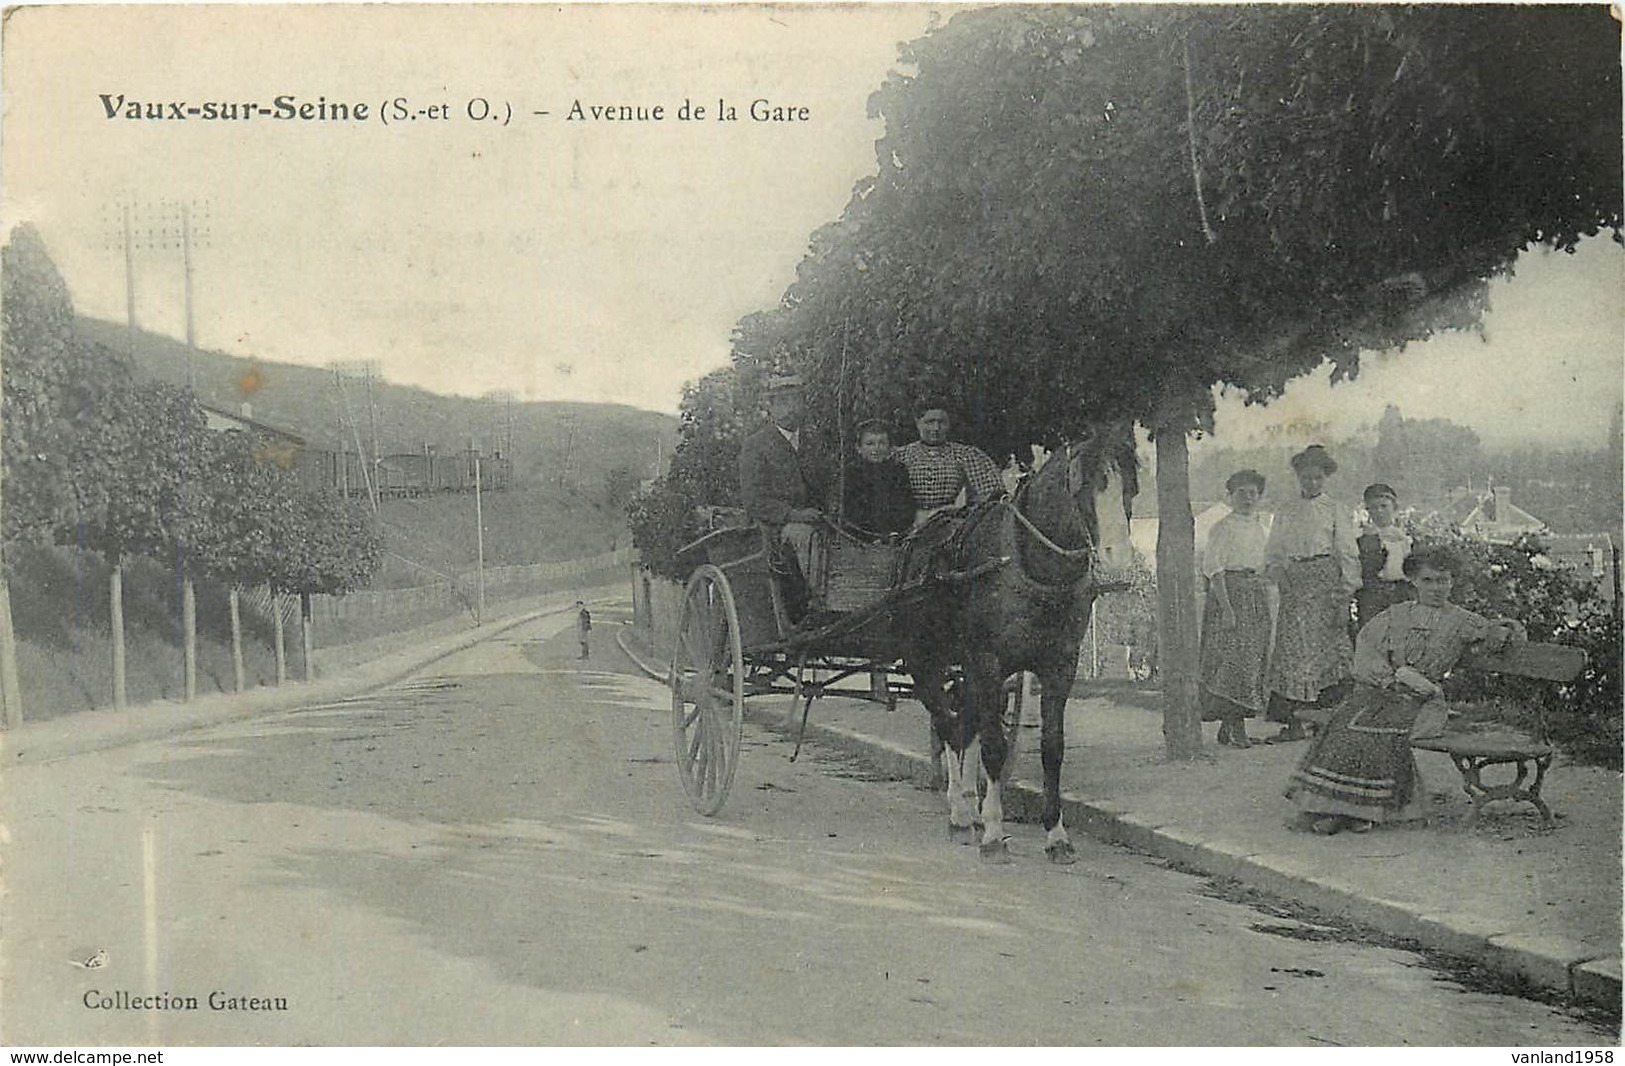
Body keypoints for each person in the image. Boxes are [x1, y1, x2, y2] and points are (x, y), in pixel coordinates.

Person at [1284, 546, 1525, 834]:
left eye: (1444, 580)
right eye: (1428, 580)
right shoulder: (1396, 615)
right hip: (1386, 689)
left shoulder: (1462, 620)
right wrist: (1388, 678)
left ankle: (1351, 811)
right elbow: (1367, 648)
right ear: (1412, 580)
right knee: (1344, 722)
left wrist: (1504, 631)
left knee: (1377, 729)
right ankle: (1339, 809)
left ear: (1452, 581)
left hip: (1424, 700)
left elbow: (1501, 635)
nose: (1437, 588)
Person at [1262, 444, 1359, 742]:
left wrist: (1346, 594)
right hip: (1295, 582)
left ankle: (1327, 722)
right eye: (1306, 477)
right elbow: (1275, 550)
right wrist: (1281, 576)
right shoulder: (1286, 510)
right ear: (1298, 477)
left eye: (1317, 477)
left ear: (1325, 477)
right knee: (1293, 650)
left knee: (1328, 648)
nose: (1312, 483)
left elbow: (1347, 553)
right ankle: (1293, 723)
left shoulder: (1336, 509)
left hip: (1326, 581)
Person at [737, 373, 826, 612]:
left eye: (796, 401)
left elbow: (829, 483)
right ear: (771, 407)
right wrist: (792, 515)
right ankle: (817, 602)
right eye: (783, 402)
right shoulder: (756, 445)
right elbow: (753, 500)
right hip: (774, 527)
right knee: (804, 535)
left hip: (817, 519)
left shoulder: (814, 442)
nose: (790, 408)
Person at [1199, 469, 1271, 749]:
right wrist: (1227, 609)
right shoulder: (1222, 527)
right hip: (1229, 595)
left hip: (1255, 596)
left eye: (1253, 493)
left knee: (1251, 663)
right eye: (1241, 493)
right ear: (1231, 496)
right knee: (1232, 663)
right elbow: (1213, 569)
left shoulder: (1262, 527)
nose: (1248, 498)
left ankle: (1230, 725)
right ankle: (1235, 725)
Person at [892, 401, 1007, 527]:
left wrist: (965, 509)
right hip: (907, 524)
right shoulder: (901, 455)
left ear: (949, 424)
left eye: (942, 422)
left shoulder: (964, 454)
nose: (936, 428)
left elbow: (990, 491)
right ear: (918, 423)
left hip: (948, 522)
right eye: (929, 422)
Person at [840, 419, 915, 538]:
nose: (876, 449)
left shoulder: (898, 470)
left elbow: (905, 506)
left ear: (890, 447)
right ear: (859, 448)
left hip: (894, 534)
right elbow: (850, 509)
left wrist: (895, 531)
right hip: (858, 535)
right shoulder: (851, 472)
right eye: (870, 444)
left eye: (882, 443)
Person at [1356, 482, 1414, 632]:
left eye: (1384, 506)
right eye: (1373, 508)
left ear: (1394, 508)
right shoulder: (1364, 539)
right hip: (1374, 595)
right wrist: (1372, 541)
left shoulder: (1406, 538)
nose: (1379, 512)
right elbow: (1366, 570)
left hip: (1402, 593)